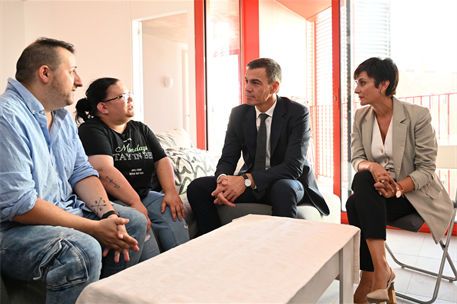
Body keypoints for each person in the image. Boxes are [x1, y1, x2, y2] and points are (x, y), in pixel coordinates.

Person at [0, 38, 149, 304]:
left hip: (63, 210)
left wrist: (109, 215)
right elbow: (21, 205)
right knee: (82, 249)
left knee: (131, 222)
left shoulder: (61, 117)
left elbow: (81, 171)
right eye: (72, 71)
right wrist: (93, 228)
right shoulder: (6, 118)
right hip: (12, 229)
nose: (79, 81)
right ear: (45, 73)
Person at [346, 57, 453, 304]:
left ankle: (370, 276)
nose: (356, 89)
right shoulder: (361, 117)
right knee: (362, 179)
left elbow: (427, 169)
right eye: (356, 83)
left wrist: (396, 187)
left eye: (362, 83)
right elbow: (357, 158)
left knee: (355, 203)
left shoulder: (417, 115)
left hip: (414, 194)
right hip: (375, 190)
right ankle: (381, 270)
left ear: (383, 84)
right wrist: (372, 167)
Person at [187, 58, 329, 236]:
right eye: (246, 81)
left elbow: (293, 168)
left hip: (287, 181)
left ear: (274, 87)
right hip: (253, 184)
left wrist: (246, 180)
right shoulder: (238, 114)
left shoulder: (297, 113)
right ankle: (215, 241)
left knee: (283, 189)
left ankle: (280, 251)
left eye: (255, 83)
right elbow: (228, 158)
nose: (247, 88)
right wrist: (222, 181)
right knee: (197, 187)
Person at [75, 77, 189, 256]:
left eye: (130, 94)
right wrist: (134, 202)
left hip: (143, 194)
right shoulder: (91, 130)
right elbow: (103, 170)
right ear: (103, 107)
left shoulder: (140, 128)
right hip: (112, 201)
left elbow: (161, 160)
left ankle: (184, 266)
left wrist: (171, 192)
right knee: (140, 225)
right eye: (123, 96)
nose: (130, 99)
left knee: (173, 209)